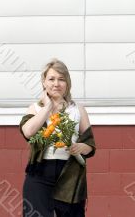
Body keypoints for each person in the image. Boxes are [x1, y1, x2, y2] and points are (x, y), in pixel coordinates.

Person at [19, 58, 96, 217]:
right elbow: (28, 132)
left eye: (61, 79)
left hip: (70, 175)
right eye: (51, 79)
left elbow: (90, 143)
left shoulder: (78, 110)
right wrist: (47, 107)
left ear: (67, 83)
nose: (56, 84)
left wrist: (81, 147)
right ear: (44, 82)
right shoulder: (35, 108)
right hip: (40, 173)